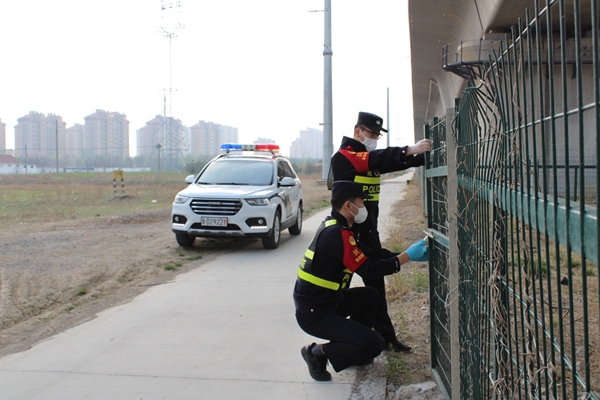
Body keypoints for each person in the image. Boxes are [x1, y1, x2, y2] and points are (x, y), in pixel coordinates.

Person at [293, 180, 428, 381]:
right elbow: (369, 269)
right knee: (375, 344)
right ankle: (316, 353)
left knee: (370, 296)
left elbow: (372, 254)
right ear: (349, 206)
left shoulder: (340, 228)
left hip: (330, 300)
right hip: (315, 313)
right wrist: (406, 258)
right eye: (362, 202)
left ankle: (355, 348)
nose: (364, 207)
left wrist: (406, 254)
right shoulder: (335, 235)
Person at [329, 111, 431, 352]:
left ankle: (386, 338)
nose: (374, 138)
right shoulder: (344, 157)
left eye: (377, 135)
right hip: (347, 234)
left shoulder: (368, 158)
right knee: (338, 289)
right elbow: (374, 159)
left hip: (368, 234)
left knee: (376, 291)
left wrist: (423, 156)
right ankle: (341, 337)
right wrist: (409, 149)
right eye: (371, 134)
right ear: (358, 132)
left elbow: (389, 161)